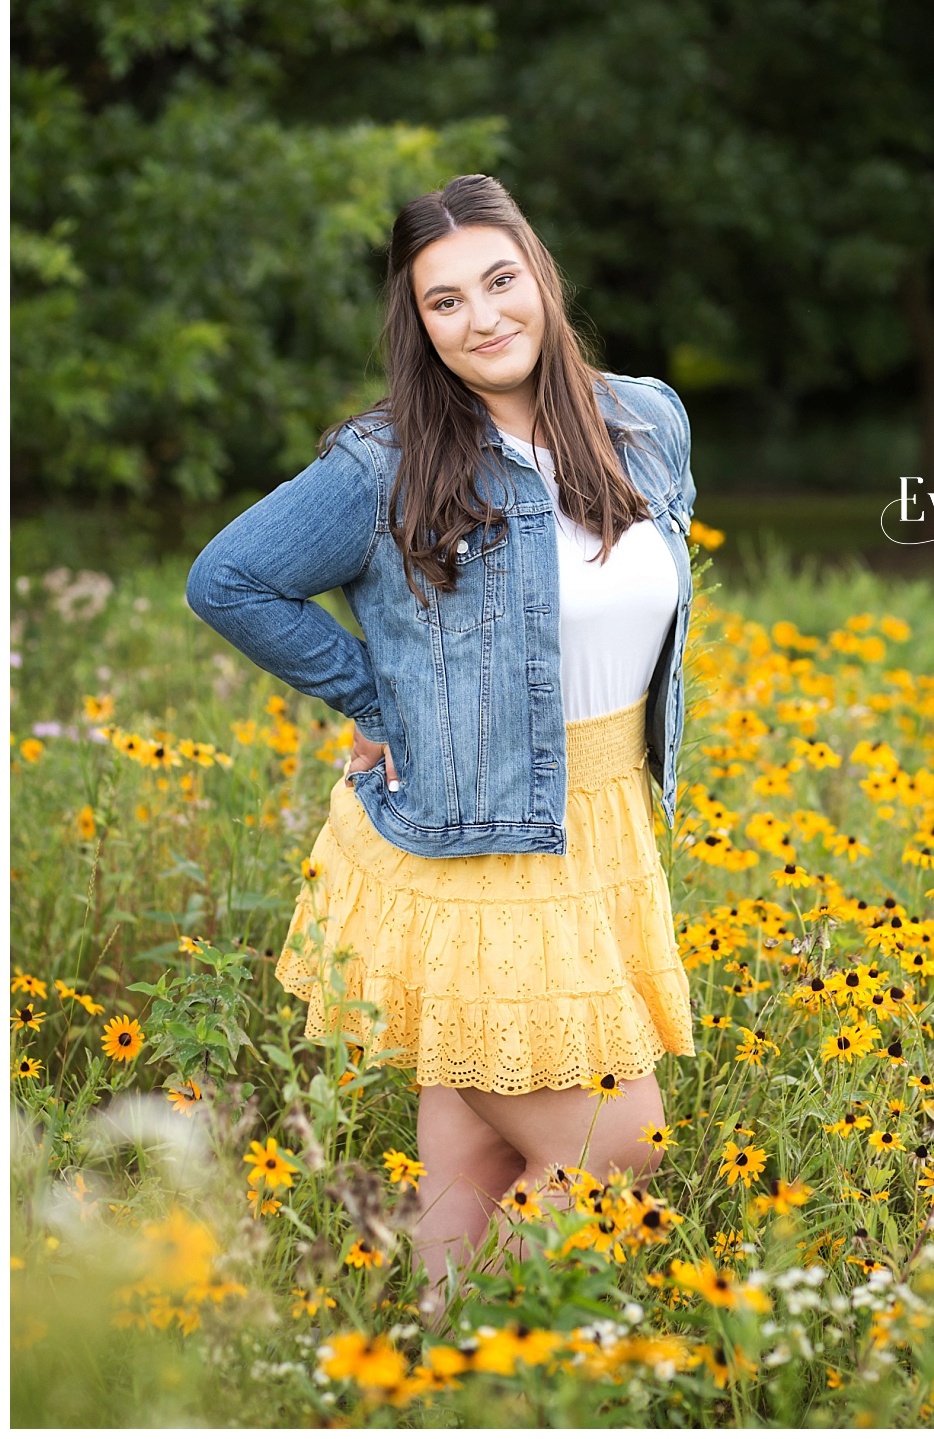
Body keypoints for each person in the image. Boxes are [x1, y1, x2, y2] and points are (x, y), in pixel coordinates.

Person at [186, 173, 697, 1301]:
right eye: (445, 302)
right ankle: (488, 1369)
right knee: (617, 1147)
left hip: (607, 827)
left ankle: (428, 1378)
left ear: (540, 279)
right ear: (418, 325)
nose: (484, 317)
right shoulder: (388, 463)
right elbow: (228, 579)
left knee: (474, 1165)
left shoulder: (647, 421)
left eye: (500, 281)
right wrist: (375, 704)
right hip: (475, 843)